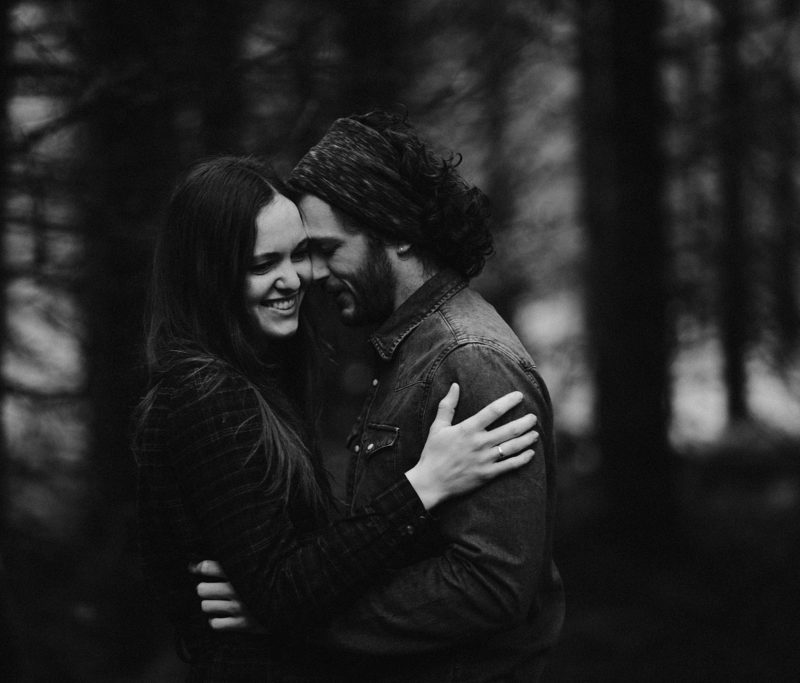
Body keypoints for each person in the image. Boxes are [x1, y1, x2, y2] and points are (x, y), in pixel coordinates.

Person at [134, 155, 540, 681]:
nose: (296, 279)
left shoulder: (258, 378)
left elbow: (288, 572)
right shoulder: (208, 395)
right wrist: (423, 487)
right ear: (211, 274)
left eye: (299, 254)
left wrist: (271, 599)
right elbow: (282, 591)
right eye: (262, 265)